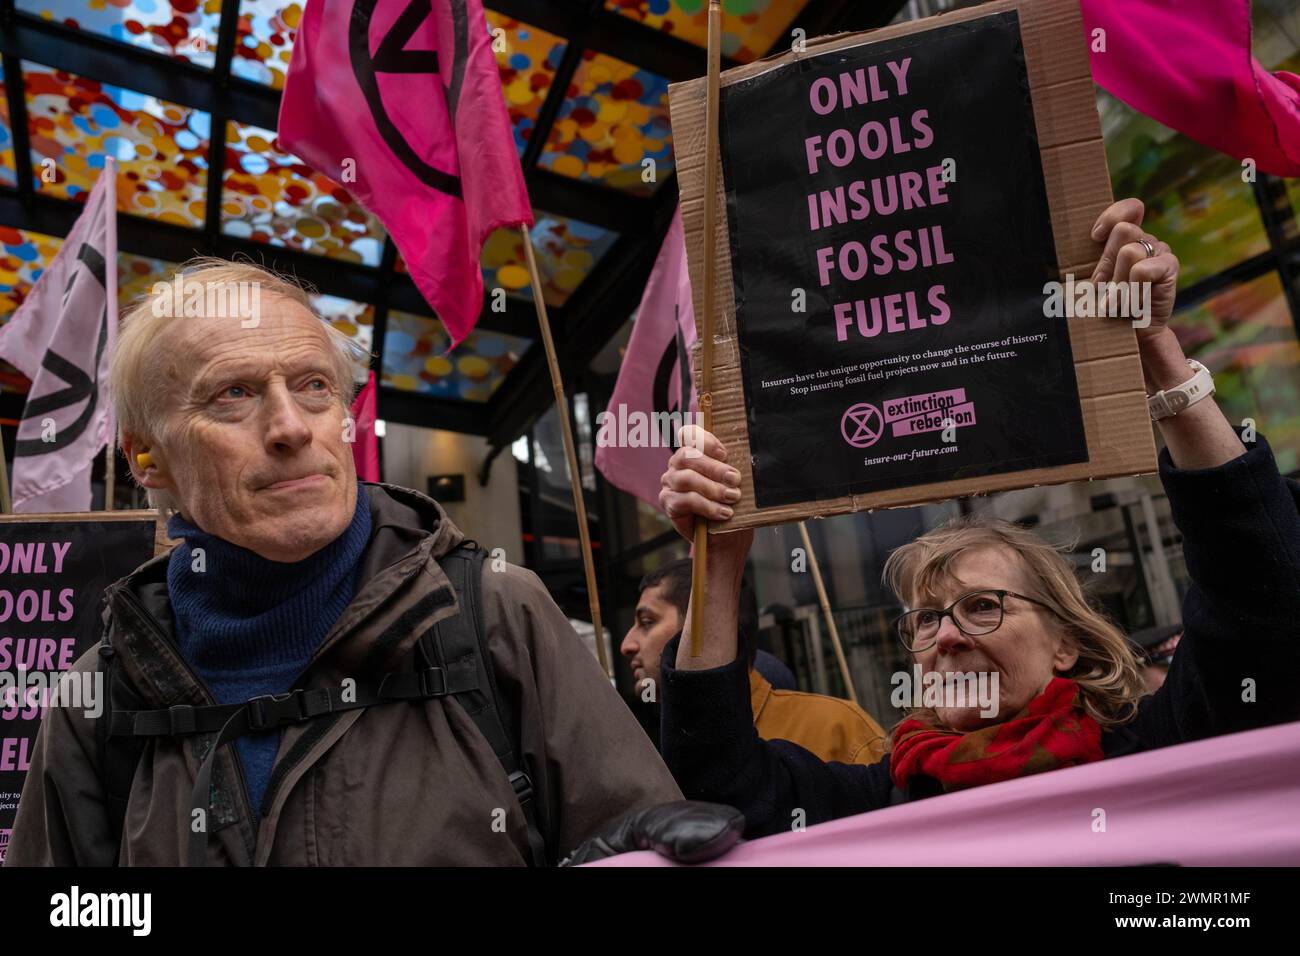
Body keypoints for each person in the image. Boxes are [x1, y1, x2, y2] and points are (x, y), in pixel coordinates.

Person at [5, 258, 742, 867]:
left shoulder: (491, 614)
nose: (292, 427)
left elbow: (641, 842)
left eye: (314, 387)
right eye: (233, 395)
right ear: (146, 456)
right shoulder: (99, 697)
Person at [655, 199, 1300, 838]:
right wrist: (721, 556)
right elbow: (718, 785)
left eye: (983, 605)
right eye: (927, 618)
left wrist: (1155, 349)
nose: (947, 637)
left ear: (1066, 644)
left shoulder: (1160, 743)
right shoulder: (880, 800)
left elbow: (1264, 598)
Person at [622, 558, 887, 764]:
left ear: (706, 627)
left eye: (647, 622)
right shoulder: (643, 755)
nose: (626, 645)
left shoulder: (836, 729)